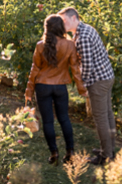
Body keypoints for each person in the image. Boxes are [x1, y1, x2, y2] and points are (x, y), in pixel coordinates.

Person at [25, 15, 87, 164]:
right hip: (60, 87)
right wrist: (82, 89)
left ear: (46, 28)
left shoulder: (40, 45)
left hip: (42, 86)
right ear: (61, 28)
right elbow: (75, 69)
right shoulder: (69, 45)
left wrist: (29, 91)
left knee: (48, 122)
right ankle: (70, 151)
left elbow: (35, 69)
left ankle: (54, 153)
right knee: (64, 118)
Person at [59, 6, 117, 165]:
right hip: (106, 76)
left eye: (64, 20)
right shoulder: (85, 29)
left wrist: (82, 86)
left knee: (101, 119)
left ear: (73, 18)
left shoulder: (83, 37)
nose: (62, 24)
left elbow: (87, 66)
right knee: (108, 115)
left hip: (98, 81)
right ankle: (110, 150)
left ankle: (106, 156)